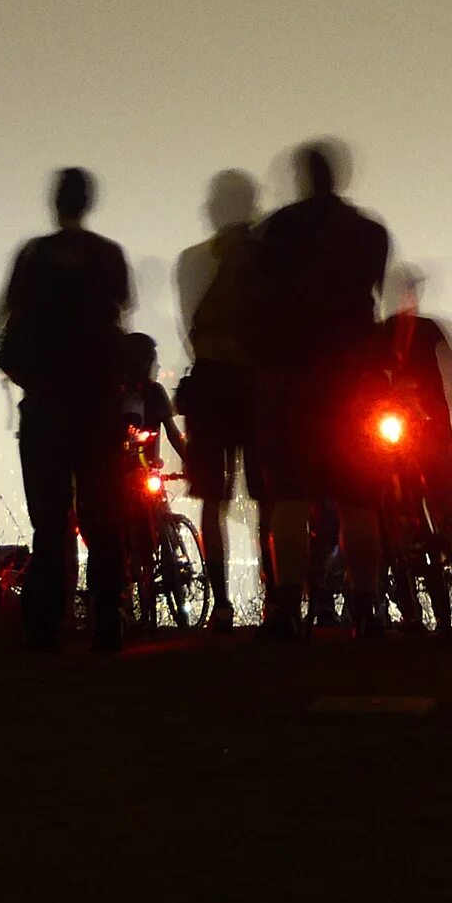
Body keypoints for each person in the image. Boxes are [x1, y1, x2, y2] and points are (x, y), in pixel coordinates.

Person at [251, 141, 390, 637]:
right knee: (358, 501)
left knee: (289, 498)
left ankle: (288, 608)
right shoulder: (369, 234)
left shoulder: (277, 232)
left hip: (293, 379)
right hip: (353, 380)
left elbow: (260, 304)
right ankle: (365, 609)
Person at [0, 168, 133, 652]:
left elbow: (7, 322)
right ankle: (107, 620)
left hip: (45, 407)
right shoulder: (108, 256)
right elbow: (120, 312)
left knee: (50, 521)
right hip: (97, 405)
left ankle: (46, 623)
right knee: (102, 513)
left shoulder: (32, 257)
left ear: (54, 202)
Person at [174, 171, 262, 631]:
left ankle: (223, 603)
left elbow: (189, 327)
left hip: (209, 383)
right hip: (255, 383)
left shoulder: (191, 262)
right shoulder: (267, 258)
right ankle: (277, 600)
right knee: (268, 491)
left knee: (213, 496)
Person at [370, 265, 452, 634]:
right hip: (391, 433)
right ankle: (398, 582)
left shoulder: (430, 330)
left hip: (431, 430)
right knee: (384, 505)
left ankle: (447, 543)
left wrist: (440, 413)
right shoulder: (381, 335)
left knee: (450, 484)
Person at [116, 331, 190, 629]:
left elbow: (171, 433)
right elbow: (170, 433)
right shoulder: (131, 394)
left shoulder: (148, 393)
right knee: (132, 531)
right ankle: (134, 591)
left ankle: (140, 587)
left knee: (143, 529)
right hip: (128, 477)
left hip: (144, 475)